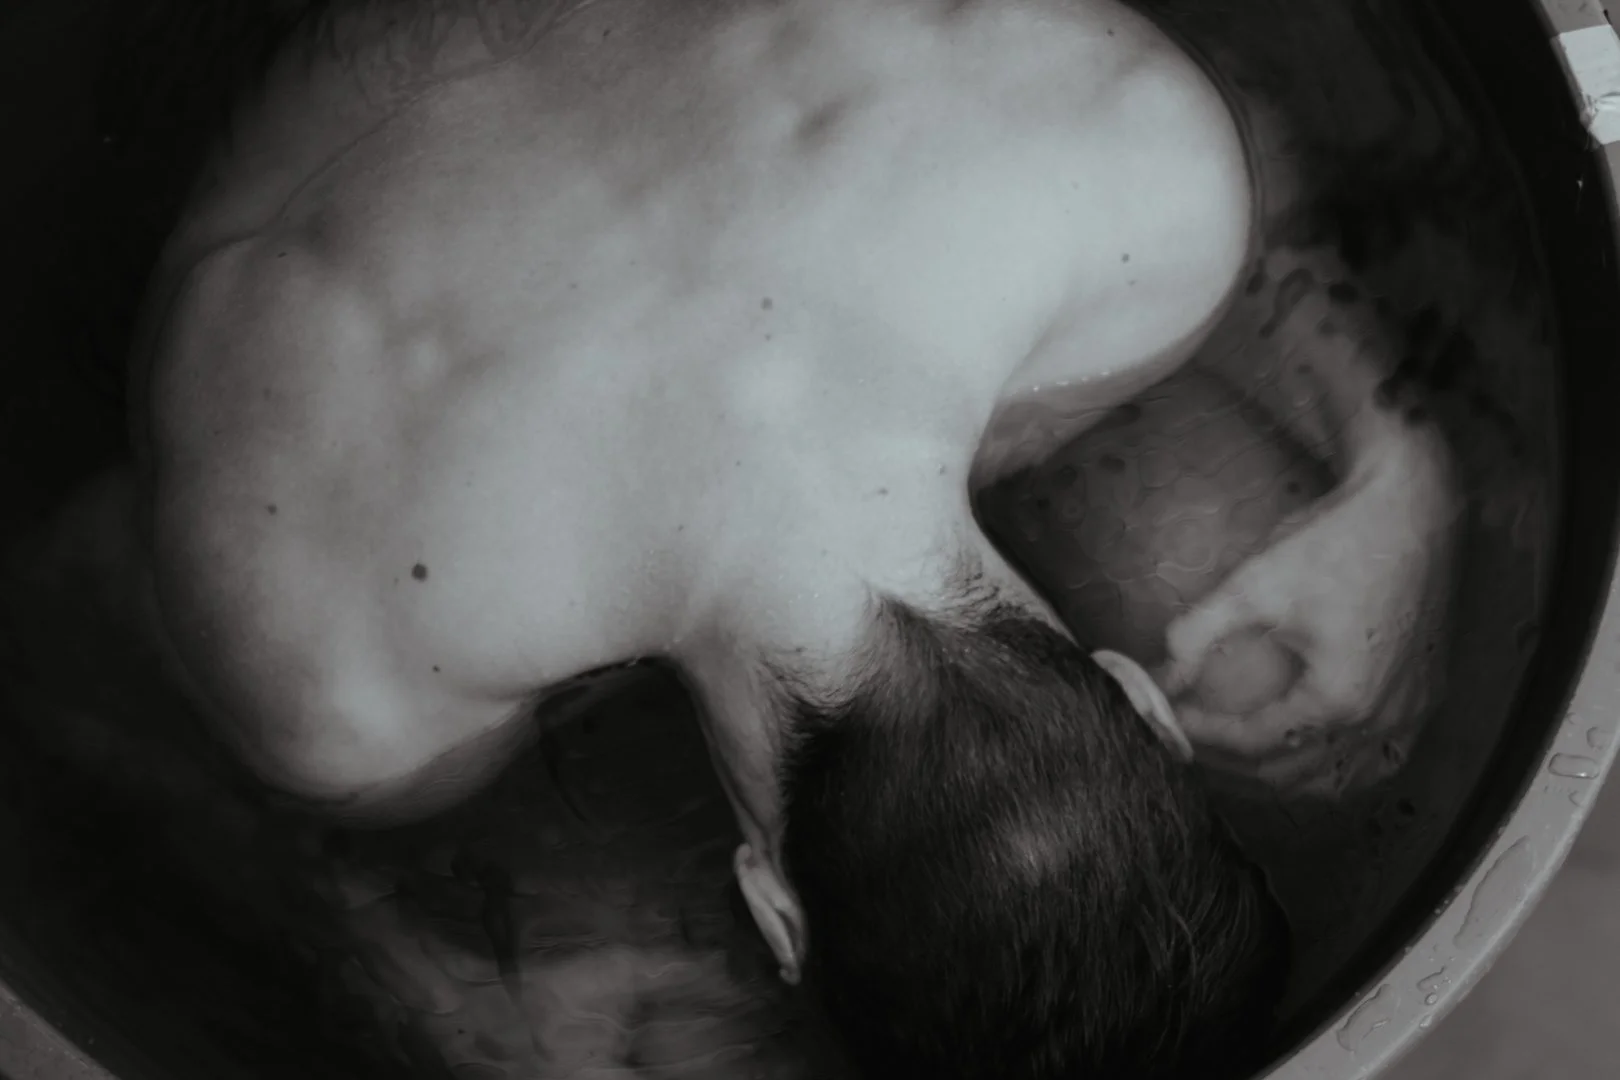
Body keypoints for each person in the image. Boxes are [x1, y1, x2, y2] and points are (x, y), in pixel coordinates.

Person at [8, 0, 1460, 1075]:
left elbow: (1253, 126)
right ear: (772, 913)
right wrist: (413, 965)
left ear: (1142, 705)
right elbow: (61, 618)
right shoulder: (340, 682)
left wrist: (1398, 460)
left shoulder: (1137, 164)